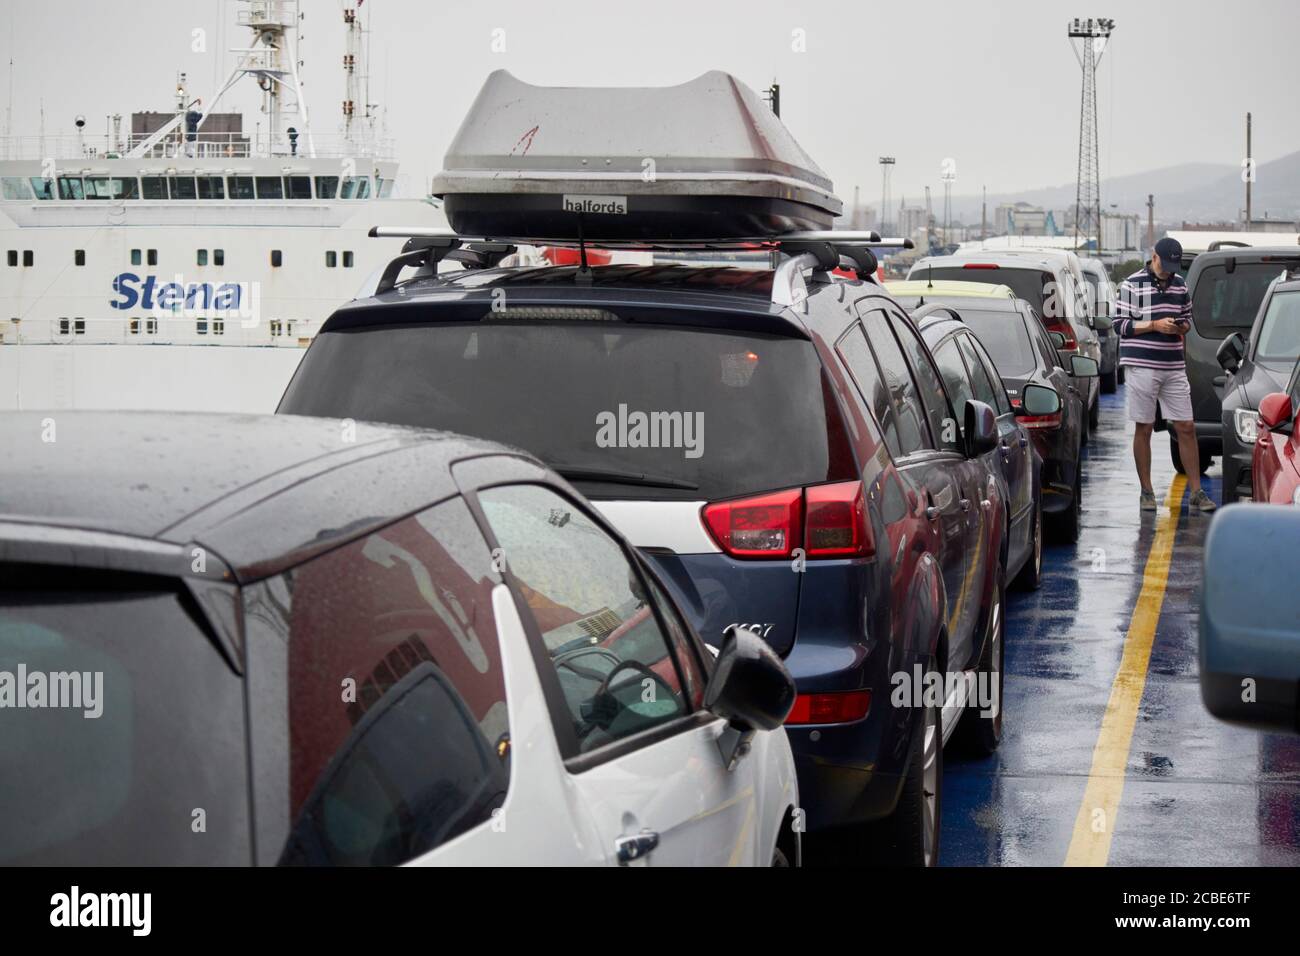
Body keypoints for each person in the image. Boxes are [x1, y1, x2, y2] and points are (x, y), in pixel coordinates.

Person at [1114, 236, 1217, 512]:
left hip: (1173, 366)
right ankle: (1146, 491)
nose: (1169, 271)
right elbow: (1119, 325)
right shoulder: (1132, 284)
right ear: (1154, 257)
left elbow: (1187, 320)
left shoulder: (1180, 285)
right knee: (1144, 427)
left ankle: (1196, 491)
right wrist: (1154, 325)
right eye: (1166, 264)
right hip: (1142, 365)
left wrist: (1179, 328)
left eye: (1174, 266)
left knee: (1186, 426)